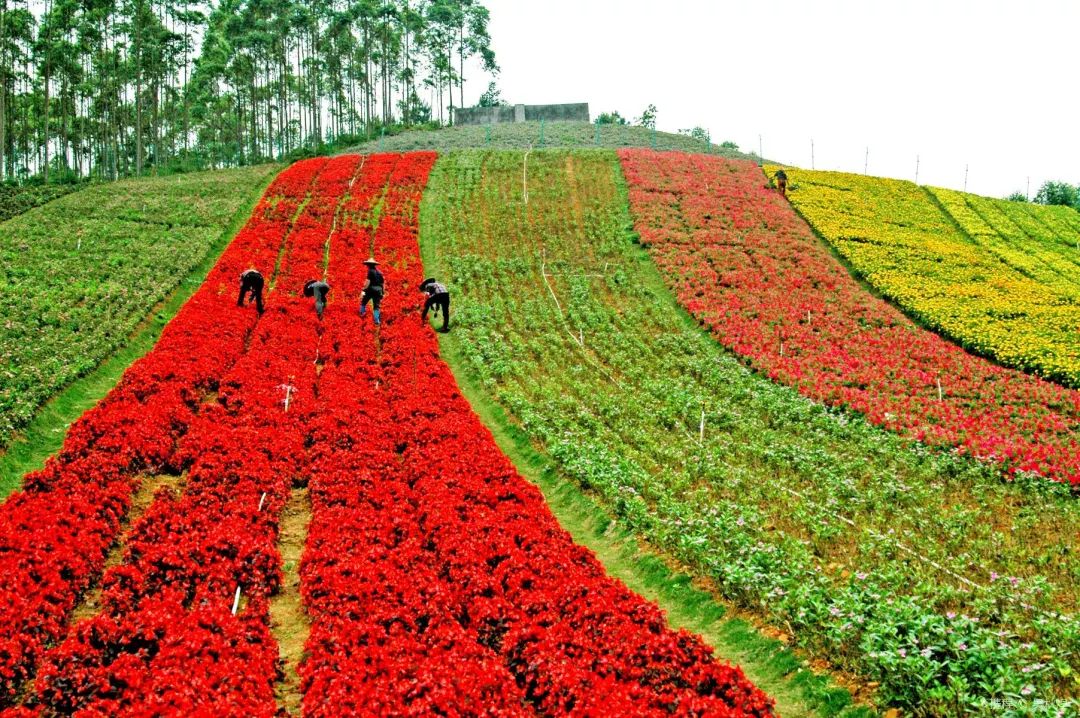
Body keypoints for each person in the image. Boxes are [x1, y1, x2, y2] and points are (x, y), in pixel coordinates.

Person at [359, 258, 385, 326]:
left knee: (363, 302)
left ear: (368, 265)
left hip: (370, 290)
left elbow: (367, 282)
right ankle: (377, 321)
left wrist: (363, 290)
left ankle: (362, 313)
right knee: (376, 306)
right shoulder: (380, 273)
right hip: (378, 291)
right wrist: (383, 292)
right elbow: (383, 283)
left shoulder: (370, 271)